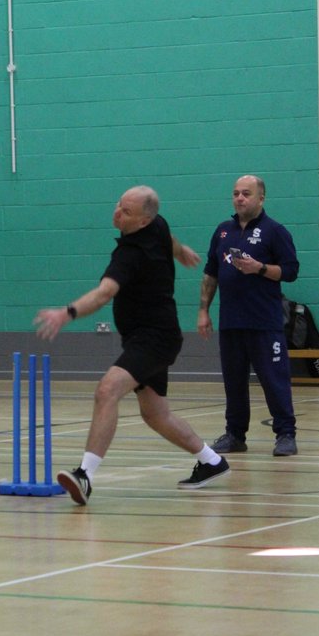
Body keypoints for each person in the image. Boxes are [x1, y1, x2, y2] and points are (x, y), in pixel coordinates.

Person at [35, 185, 229, 503]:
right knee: (155, 415)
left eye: (126, 212)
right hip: (151, 336)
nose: (117, 213)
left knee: (107, 390)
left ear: (143, 221)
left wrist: (66, 313)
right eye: (118, 205)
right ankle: (212, 461)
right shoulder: (158, 225)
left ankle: (84, 476)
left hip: (154, 339)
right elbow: (169, 238)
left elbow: (103, 294)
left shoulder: (129, 254)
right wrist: (180, 251)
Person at [197, 174, 300, 456]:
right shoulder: (222, 231)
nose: (240, 198)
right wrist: (204, 310)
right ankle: (235, 435)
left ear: (261, 198)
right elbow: (211, 273)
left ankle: (286, 434)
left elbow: (291, 271)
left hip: (264, 323)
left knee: (274, 381)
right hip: (231, 323)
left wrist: (260, 268)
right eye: (236, 194)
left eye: (246, 193)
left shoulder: (274, 231)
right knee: (234, 383)